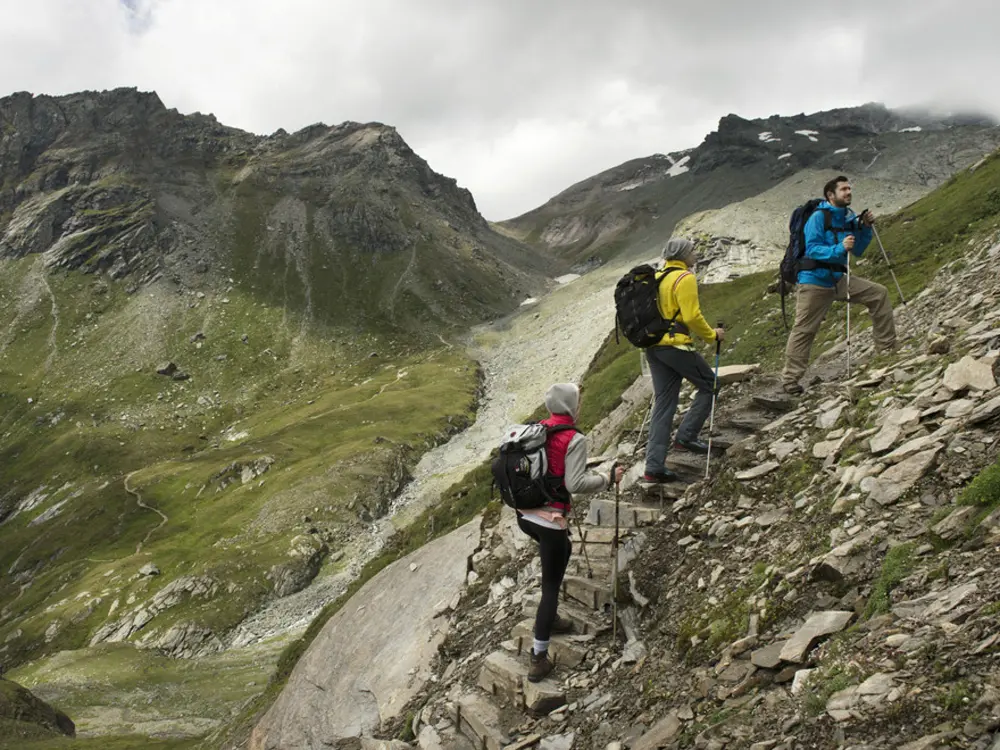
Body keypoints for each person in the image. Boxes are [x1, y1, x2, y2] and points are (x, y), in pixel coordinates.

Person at [518, 382, 625, 682]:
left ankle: (549, 617)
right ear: (570, 406)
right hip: (549, 518)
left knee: (562, 550)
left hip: (525, 515)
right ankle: (539, 658)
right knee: (551, 586)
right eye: (577, 402)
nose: (580, 406)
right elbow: (574, 484)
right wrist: (607, 478)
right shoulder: (574, 438)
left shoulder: (538, 429)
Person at [782, 176, 896, 394]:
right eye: (843, 189)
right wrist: (839, 248)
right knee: (804, 329)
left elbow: (858, 250)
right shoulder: (818, 217)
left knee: (879, 294)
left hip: (838, 279)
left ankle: (887, 349)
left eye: (849, 188)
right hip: (814, 281)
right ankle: (790, 380)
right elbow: (812, 249)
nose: (848, 192)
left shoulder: (847, 217)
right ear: (830, 195)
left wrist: (864, 228)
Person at [642, 238, 724, 483]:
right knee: (710, 384)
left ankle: (653, 467)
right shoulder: (684, 278)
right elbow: (691, 316)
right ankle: (686, 436)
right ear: (683, 254)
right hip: (676, 345)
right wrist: (712, 335)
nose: (695, 254)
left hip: (653, 347)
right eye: (692, 251)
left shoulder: (657, 277)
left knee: (664, 404)